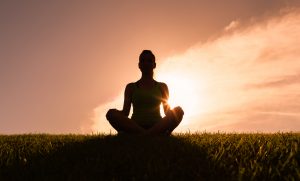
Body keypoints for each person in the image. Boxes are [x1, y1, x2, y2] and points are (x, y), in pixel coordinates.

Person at [106, 50, 184, 135]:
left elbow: (167, 112)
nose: (146, 63)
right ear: (139, 65)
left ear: (154, 65)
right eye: (143, 61)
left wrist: (175, 113)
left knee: (178, 111)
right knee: (111, 113)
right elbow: (125, 112)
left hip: (157, 125)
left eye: (149, 61)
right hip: (135, 125)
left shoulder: (162, 86)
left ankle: (144, 134)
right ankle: (149, 134)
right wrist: (115, 113)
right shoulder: (130, 87)